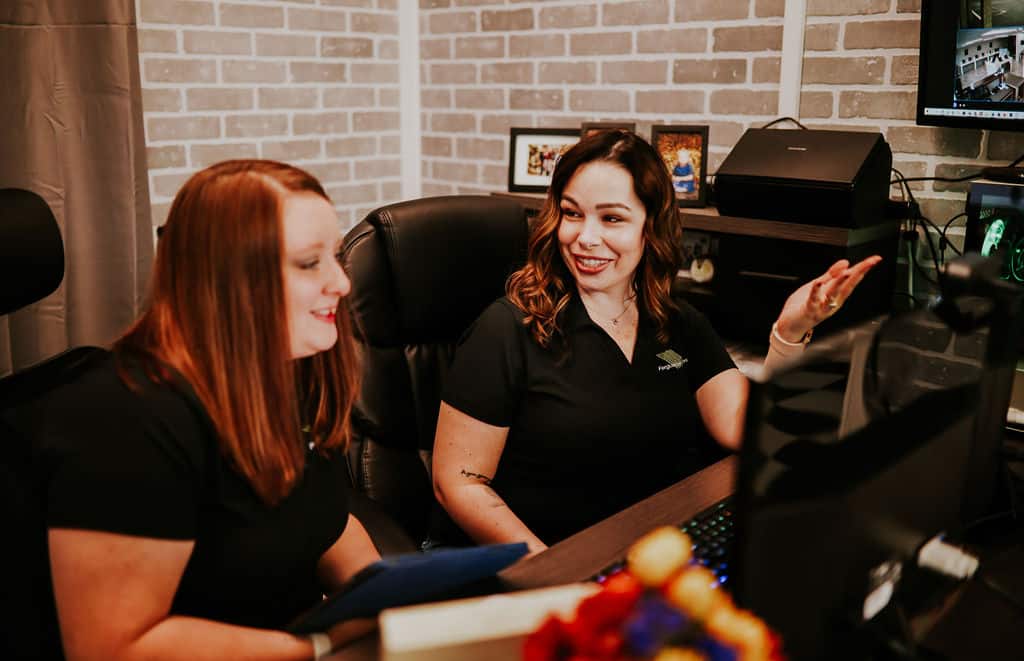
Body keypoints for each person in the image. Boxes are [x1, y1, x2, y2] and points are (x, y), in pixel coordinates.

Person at [432, 131, 880, 555]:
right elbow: (459, 483)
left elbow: (745, 428)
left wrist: (787, 331)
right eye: (572, 213)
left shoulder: (676, 324)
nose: (585, 237)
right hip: (543, 566)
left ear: (651, 227)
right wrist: (548, 571)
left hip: (649, 556)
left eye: (611, 218)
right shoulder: (506, 329)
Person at [41, 160, 379, 660]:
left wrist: (397, 597)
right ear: (230, 280)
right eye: (310, 264)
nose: (341, 284)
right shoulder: (127, 419)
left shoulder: (287, 371)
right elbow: (113, 647)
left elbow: (323, 515)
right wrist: (317, 644)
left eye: (336, 258)